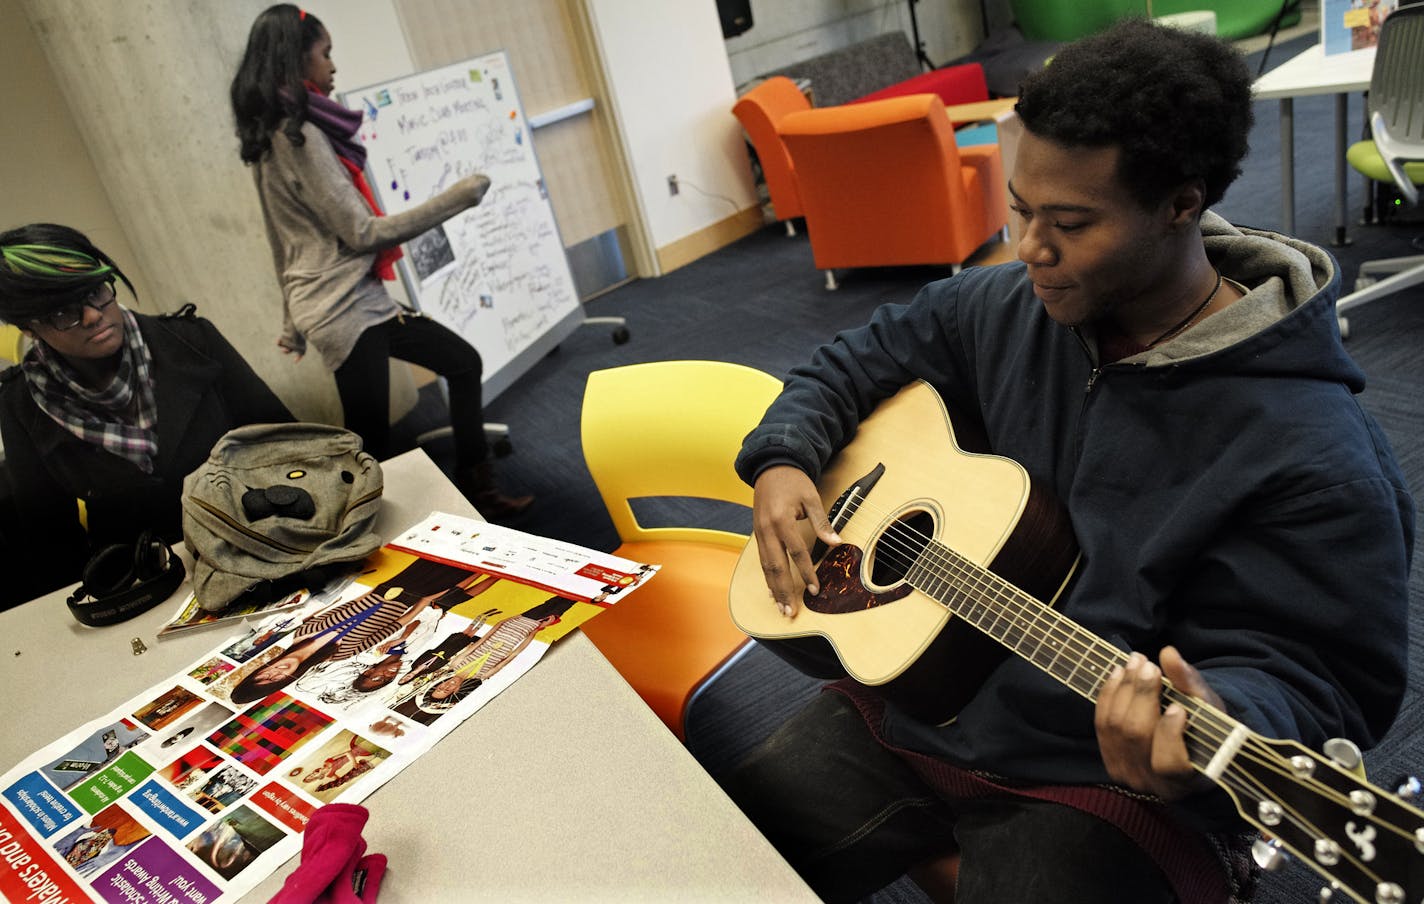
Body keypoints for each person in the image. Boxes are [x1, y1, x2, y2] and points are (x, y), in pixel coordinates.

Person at [727, 19, 1414, 904]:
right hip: (922, 698)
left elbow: (1317, 676)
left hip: (1095, 778)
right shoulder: (1011, 305)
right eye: (1019, 209)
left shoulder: (1315, 454)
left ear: (1180, 204)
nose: (1027, 250)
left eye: (1071, 223)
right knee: (715, 849)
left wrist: (1221, 725)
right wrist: (784, 459)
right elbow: (856, 359)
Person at [229, 4, 532, 520]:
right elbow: (363, 232)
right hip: (340, 307)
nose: (333, 66)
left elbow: (282, 241)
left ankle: (474, 486)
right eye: (325, 54)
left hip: (356, 300)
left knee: (462, 362)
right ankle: (360, 534)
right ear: (297, 60)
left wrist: (290, 323)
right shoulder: (298, 136)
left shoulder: (277, 133)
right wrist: (460, 196)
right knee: (369, 441)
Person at [0, 223, 293, 601]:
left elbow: (286, 442)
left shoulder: (192, 340)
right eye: (62, 312)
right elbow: (51, 542)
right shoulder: (22, 402)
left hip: (259, 545)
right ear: (30, 328)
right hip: (144, 584)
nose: (92, 316)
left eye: (95, 291)